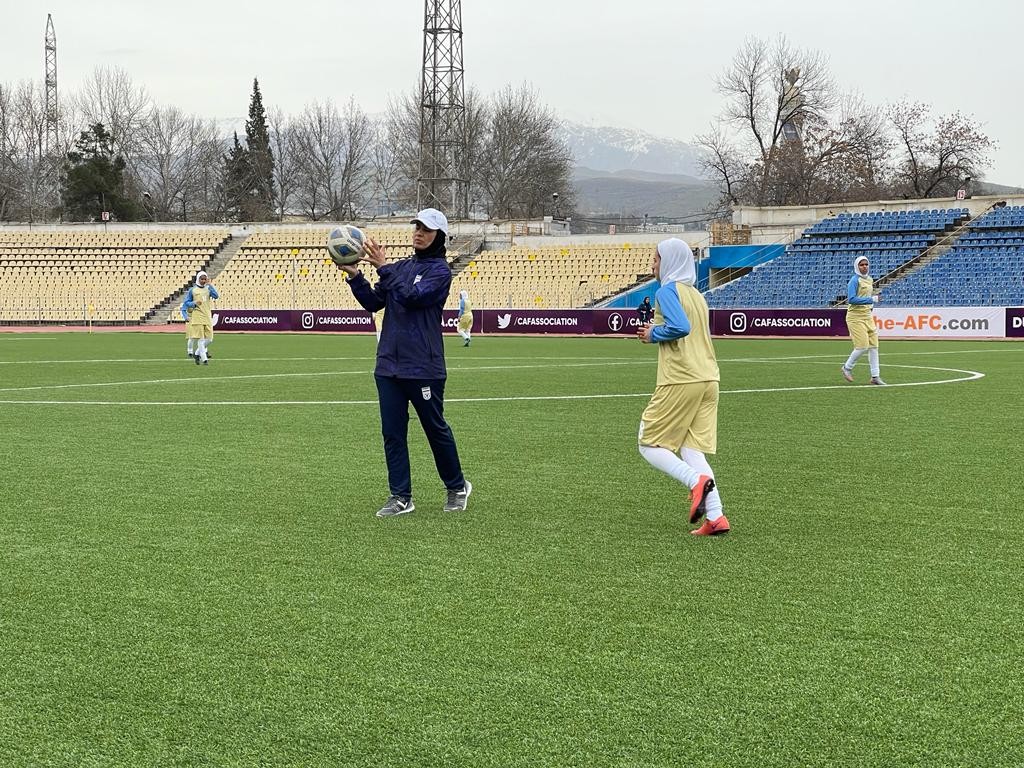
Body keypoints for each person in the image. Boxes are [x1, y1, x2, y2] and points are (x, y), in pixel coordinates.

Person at [337, 208, 472, 519]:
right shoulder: (399, 268)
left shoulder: (440, 272)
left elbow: (412, 297)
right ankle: (401, 496)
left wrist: (384, 268)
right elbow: (374, 302)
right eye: (416, 227)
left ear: (440, 236)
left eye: (426, 229)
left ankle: (456, 486)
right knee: (392, 433)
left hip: (424, 365)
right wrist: (356, 277)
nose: (418, 233)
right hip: (388, 365)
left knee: (434, 429)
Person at [637, 238, 729, 536]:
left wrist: (653, 333)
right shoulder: (696, 294)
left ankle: (695, 483)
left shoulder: (667, 291)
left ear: (669, 261)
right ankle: (715, 516)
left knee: (648, 443)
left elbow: (680, 328)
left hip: (681, 378)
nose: (652, 264)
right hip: (709, 378)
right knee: (692, 449)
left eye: (656, 258)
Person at [842, 256, 885, 385]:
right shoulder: (854, 281)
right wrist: (871, 300)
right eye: (861, 265)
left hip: (867, 316)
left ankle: (875, 376)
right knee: (862, 346)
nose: (864, 267)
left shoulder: (870, 279)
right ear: (857, 266)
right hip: (855, 317)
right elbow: (851, 299)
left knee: (874, 346)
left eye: (866, 264)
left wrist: (870, 306)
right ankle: (847, 368)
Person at [182, 271, 219, 365]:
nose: (203, 281)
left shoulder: (208, 289)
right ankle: (204, 359)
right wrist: (194, 303)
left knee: (210, 339)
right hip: (197, 316)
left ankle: (196, 353)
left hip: (207, 316)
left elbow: (216, 296)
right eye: (201, 279)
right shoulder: (193, 290)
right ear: (198, 279)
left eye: (204, 279)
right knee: (201, 339)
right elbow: (186, 303)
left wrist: (210, 285)